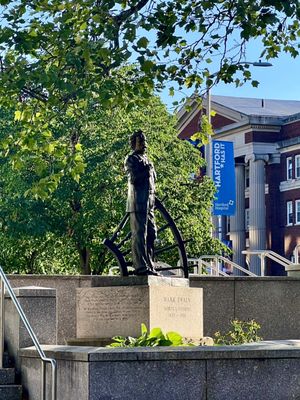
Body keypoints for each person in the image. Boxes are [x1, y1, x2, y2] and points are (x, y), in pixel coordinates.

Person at [124, 130, 158, 276]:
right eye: (141, 142)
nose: (144, 144)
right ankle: (140, 266)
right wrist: (146, 170)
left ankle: (149, 264)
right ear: (134, 144)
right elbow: (134, 178)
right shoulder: (131, 159)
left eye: (145, 141)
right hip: (137, 202)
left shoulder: (148, 161)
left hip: (149, 203)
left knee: (152, 234)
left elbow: (152, 183)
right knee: (139, 235)